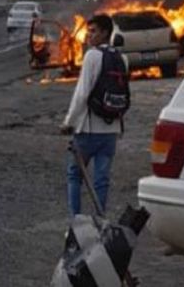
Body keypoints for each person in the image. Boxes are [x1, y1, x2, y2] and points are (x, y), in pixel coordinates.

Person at [61, 14, 129, 217]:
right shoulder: (122, 58)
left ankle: (76, 220)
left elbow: (82, 93)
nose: (89, 35)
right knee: (102, 180)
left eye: (93, 31)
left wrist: (69, 122)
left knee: (75, 175)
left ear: (105, 33)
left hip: (88, 129)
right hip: (111, 131)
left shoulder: (92, 56)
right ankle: (100, 221)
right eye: (88, 31)